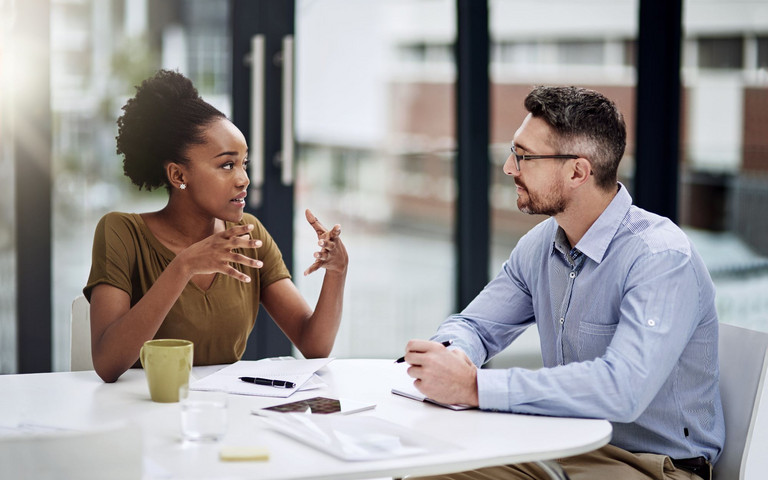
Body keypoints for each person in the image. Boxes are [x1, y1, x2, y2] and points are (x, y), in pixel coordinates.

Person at [403, 86, 723, 480]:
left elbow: (623, 389)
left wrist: (474, 387)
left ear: (577, 172)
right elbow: (475, 325)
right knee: (419, 471)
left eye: (525, 157)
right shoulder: (541, 244)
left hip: (652, 466)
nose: (509, 167)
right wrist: (451, 355)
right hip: (562, 444)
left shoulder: (660, 258)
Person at [84, 70, 348, 384]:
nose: (243, 179)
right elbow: (107, 363)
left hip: (223, 416)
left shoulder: (249, 234)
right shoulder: (121, 233)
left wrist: (337, 271)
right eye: (227, 164)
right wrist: (183, 266)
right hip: (141, 412)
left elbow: (314, 346)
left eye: (244, 163)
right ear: (179, 176)